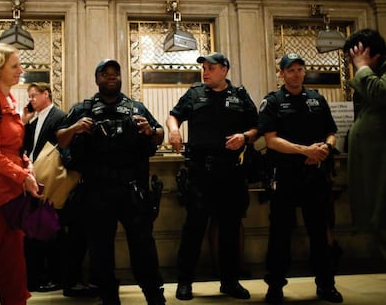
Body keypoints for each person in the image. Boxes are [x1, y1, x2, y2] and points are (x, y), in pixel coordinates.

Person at [56, 59, 165, 305]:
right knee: (100, 251)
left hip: (131, 189)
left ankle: (155, 296)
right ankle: (108, 298)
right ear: (97, 79)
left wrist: (150, 130)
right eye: (106, 74)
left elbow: (160, 135)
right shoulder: (82, 109)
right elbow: (60, 140)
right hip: (96, 191)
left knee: (143, 247)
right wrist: (75, 128)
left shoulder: (136, 108)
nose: (112, 77)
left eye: (116, 74)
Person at [166, 52, 258, 301]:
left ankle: (230, 282)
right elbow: (174, 115)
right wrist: (174, 131)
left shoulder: (239, 96)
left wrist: (245, 137)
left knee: (229, 229)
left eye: (210, 68)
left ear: (224, 69)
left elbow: (257, 125)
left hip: (231, 172)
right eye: (203, 68)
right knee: (193, 229)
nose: (205, 72)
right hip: (201, 173)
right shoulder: (195, 94)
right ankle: (184, 282)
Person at [258, 53, 343, 304]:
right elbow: (271, 141)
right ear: (281, 73)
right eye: (291, 70)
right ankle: (275, 286)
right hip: (286, 176)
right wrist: (305, 151)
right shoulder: (273, 101)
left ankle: (326, 285)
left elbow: (331, 133)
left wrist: (324, 149)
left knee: (320, 231)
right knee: (280, 233)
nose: (296, 74)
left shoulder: (316, 99)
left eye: (300, 69)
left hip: (315, 175)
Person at [0, 43, 42, 305]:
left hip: (11, 195)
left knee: (15, 268)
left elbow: (13, 146)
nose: (20, 70)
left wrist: (27, 164)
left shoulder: (10, 101)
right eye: (14, 66)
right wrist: (22, 175)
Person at [342, 28, 386, 259]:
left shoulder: (373, 74)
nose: (353, 63)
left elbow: (381, 94)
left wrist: (363, 68)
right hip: (373, 161)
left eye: (355, 57)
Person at [21, 83, 66, 292]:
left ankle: (54, 276)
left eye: (33, 96)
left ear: (45, 94)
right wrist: (24, 122)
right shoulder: (34, 120)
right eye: (29, 96)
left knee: (51, 231)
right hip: (34, 180)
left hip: (51, 181)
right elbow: (26, 147)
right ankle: (37, 276)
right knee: (36, 231)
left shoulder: (59, 116)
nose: (31, 100)